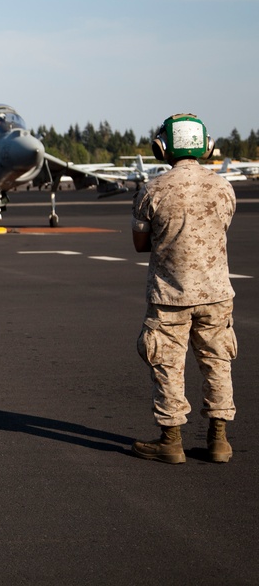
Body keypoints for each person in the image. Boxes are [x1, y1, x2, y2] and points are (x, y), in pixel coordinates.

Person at [130, 112, 237, 464]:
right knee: (217, 362)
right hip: (217, 293)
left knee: (167, 365)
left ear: (162, 148)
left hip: (170, 296)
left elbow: (140, 244)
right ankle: (219, 440)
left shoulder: (153, 190)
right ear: (206, 147)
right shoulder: (223, 187)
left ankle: (171, 440)